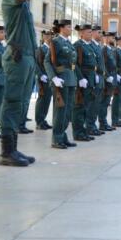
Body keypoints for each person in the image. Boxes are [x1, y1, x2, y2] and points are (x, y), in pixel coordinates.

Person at [0, 0, 37, 167]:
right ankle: (6, 152)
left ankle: (12, 148)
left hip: (27, 58)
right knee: (12, 102)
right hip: (17, 58)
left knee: (20, 104)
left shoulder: (23, 6)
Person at [44, 19, 78, 147]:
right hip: (61, 80)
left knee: (68, 111)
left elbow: (73, 64)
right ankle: (56, 138)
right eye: (69, 27)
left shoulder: (69, 43)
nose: (71, 29)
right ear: (62, 28)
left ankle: (62, 136)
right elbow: (47, 61)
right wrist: (53, 78)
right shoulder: (56, 42)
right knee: (60, 110)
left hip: (70, 79)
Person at [72, 24, 103, 140]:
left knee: (85, 107)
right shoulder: (77, 46)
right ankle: (78, 133)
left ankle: (83, 131)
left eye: (91, 32)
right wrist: (80, 78)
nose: (91, 34)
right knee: (79, 107)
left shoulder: (90, 46)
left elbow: (94, 64)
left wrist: (95, 76)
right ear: (82, 34)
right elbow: (74, 64)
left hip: (90, 79)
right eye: (88, 32)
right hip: (83, 80)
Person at [90, 26, 112, 132]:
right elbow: (91, 64)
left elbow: (102, 65)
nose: (101, 35)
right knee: (92, 104)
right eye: (99, 32)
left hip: (101, 79)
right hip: (94, 79)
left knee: (97, 103)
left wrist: (107, 76)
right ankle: (91, 126)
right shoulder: (90, 45)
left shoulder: (98, 46)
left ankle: (95, 125)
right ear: (93, 33)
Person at [34, 30, 53, 130]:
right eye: (48, 35)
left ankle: (43, 119)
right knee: (42, 100)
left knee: (47, 100)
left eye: (51, 35)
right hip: (43, 78)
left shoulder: (51, 49)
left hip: (49, 78)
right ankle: (39, 121)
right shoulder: (40, 49)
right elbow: (36, 64)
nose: (50, 37)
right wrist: (40, 75)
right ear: (44, 37)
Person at [99, 31, 116, 130]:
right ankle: (102, 122)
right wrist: (107, 77)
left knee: (106, 102)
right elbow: (103, 65)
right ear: (106, 38)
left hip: (111, 78)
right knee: (103, 102)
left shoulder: (110, 50)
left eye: (113, 38)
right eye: (111, 37)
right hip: (106, 80)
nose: (113, 39)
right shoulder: (104, 50)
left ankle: (104, 122)